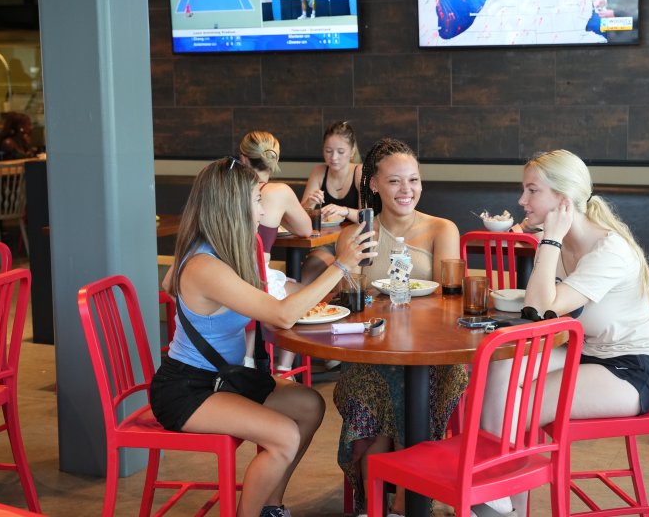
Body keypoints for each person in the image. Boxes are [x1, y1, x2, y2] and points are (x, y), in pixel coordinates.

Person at [149, 157, 376, 517]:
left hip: (226, 379)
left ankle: (271, 507)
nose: (263, 208)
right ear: (232, 206)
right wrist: (341, 264)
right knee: (284, 435)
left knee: (309, 406)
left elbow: (169, 284)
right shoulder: (205, 265)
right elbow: (283, 315)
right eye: (257, 199)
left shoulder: (220, 251)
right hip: (189, 389)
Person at [480, 149, 649, 517]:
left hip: (628, 369)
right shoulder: (560, 243)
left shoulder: (608, 250)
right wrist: (550, 241)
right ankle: (498, 496)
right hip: (587, 353)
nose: (521, 200)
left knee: (521, 404)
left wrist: (548, 241)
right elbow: (538, 309)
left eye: (532, 191)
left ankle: (491, 494)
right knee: (500, 368)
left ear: (562, 200)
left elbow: (538, 308)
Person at [332, 138, 464, 517]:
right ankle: (374, 503)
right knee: (372, 390)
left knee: (410, 395)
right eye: (394, 182)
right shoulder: (355, 235)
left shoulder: (442, 229)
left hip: (433, 353)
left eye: (414, 180)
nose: (407, 190)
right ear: (373, 184)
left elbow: (451, 300)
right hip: (374, 349)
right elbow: (349, 299)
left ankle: (405, 504)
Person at [238, 131, 313, 376]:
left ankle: (247, 359)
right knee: (303, 294)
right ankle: (284, 369)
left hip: (230, 277)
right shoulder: (278, 191)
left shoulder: (228, 187)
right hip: (260, 283)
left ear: (244, 159)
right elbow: (305, 229)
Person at [300, 121, 363, 282]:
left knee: (337, 274)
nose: (334, 157)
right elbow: (301, 216)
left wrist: (345, 211)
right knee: (306, 276)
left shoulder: (359, 172)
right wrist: (309, 203)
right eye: (328, 151)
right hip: (326, 243)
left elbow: (371, 217)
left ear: (352, 151)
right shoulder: (319, 171)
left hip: (355, 241)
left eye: (340, 152)